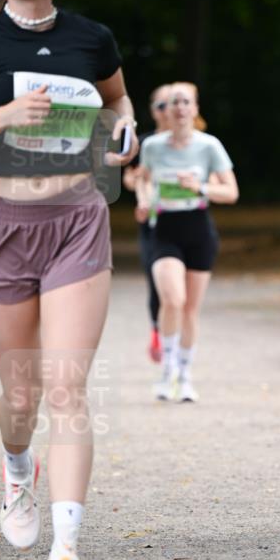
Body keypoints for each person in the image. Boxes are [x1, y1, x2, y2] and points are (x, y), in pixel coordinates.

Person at [0, 0, 138, 560]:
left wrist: (123, 138)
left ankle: (65, 553)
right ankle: (17, 467)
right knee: (22, 396)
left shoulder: (91, 38)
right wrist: (2, 118)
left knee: (67, 386)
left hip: (75, 218)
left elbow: (119, 105)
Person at [137, 81, 239, 401]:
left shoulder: (209, 146)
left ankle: (185, 375)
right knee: (173, 299)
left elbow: (231, 192)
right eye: (173, 103)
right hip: (164, 229)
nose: (180, 108)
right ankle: (166, 372)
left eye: (186, 102)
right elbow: (142, 178)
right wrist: (144, 199)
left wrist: (200, 188)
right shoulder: (153, 146)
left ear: (195, 109)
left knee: (191, 309)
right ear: (165, 110)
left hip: (198, 231)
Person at [122, 83, 173, 363]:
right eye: (161, 105)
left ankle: (177, 338)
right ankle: (158, 330)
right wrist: (138, 181)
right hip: (153, 222)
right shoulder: (145, 143)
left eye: (172, 103)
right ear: (153, 111)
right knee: (158, 283)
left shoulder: (195, 140)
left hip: (188, 220)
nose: (168, 110)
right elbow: (129, 178)